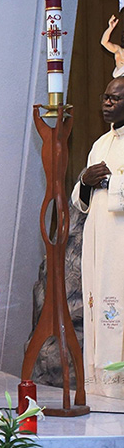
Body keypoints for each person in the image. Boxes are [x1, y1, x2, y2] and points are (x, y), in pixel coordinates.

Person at [71, 77, 124, 398]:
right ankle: (99, 383)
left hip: (120, 239)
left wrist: (109, 183)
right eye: (105, 97)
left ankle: (118, 386)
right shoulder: (100, 143)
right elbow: (81, 198)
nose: (106, 104)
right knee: (98, 300)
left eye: (115, 99)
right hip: (99, 236)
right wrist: (87, 181)